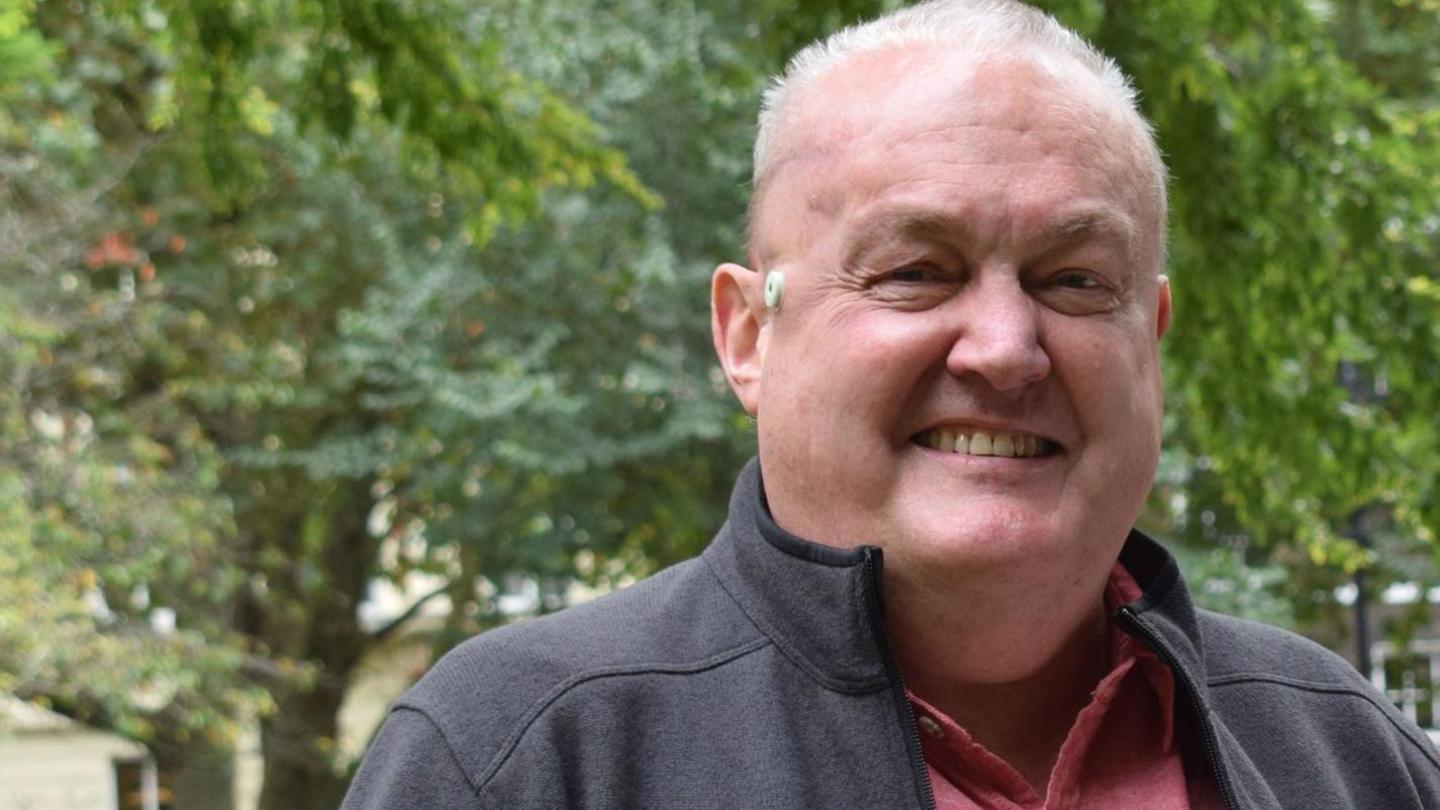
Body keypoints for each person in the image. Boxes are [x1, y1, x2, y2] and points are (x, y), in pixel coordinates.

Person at [342, 1, 1440, 807]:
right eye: (917, 270)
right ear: (747, 334)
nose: (1007, 350)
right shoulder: (527, 758)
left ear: (1149, 338)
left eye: (1074, 282)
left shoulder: (1347, 759)